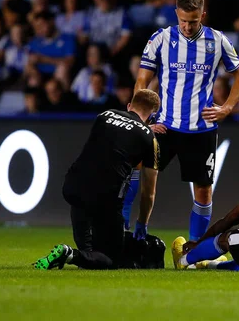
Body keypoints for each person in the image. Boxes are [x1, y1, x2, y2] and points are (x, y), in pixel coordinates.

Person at [133, 0, 239, 242]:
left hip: (202, 129)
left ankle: (194, 248)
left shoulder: (217, 41)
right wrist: (142, 118)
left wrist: (227, 107)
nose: (187, 26)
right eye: (183, 20)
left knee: (204, 192)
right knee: (142, 176)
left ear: (202, 16)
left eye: (193, 21)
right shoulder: (161, 39)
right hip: (164, 125)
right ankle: (137, 229)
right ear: (176, 13)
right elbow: (143, 79)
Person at [33, 89, 161, 270]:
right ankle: (71, 253)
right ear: (153, 115)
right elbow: (149, 192)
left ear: (129, 106)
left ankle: (79, 254)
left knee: (89, 251)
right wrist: (142, 222)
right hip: (105, 197)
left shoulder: (104, 116)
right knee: (111, 260)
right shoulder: (150, 138)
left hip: (73, 186)